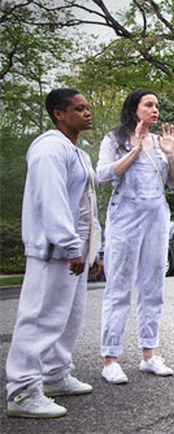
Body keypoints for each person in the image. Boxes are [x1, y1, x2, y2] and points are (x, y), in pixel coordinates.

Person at [5, 88, 101, 418]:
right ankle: (21, 391)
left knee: (68, 318)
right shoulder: (49, 148)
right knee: (40, 319)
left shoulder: (78, 153)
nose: (87, 113)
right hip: (53, 251)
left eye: (87, 107)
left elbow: (86, 206)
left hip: (76, 251)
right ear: (59, 114)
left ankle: (55, 375)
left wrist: (92, 249)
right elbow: (52, 201)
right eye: (79, 108)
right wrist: (70, 245)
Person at [96, 89, 174, 384]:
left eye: (157, 105)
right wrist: (134, 149)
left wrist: (170, 154)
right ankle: (110, 360)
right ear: (135, 109)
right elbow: (103, 175)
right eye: (149, 105)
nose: (155, 109)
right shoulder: (115, 139)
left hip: (156, 219)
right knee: (118, 287)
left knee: (153, 287)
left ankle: (149, 355)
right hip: (124, 219)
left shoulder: (160, 142)